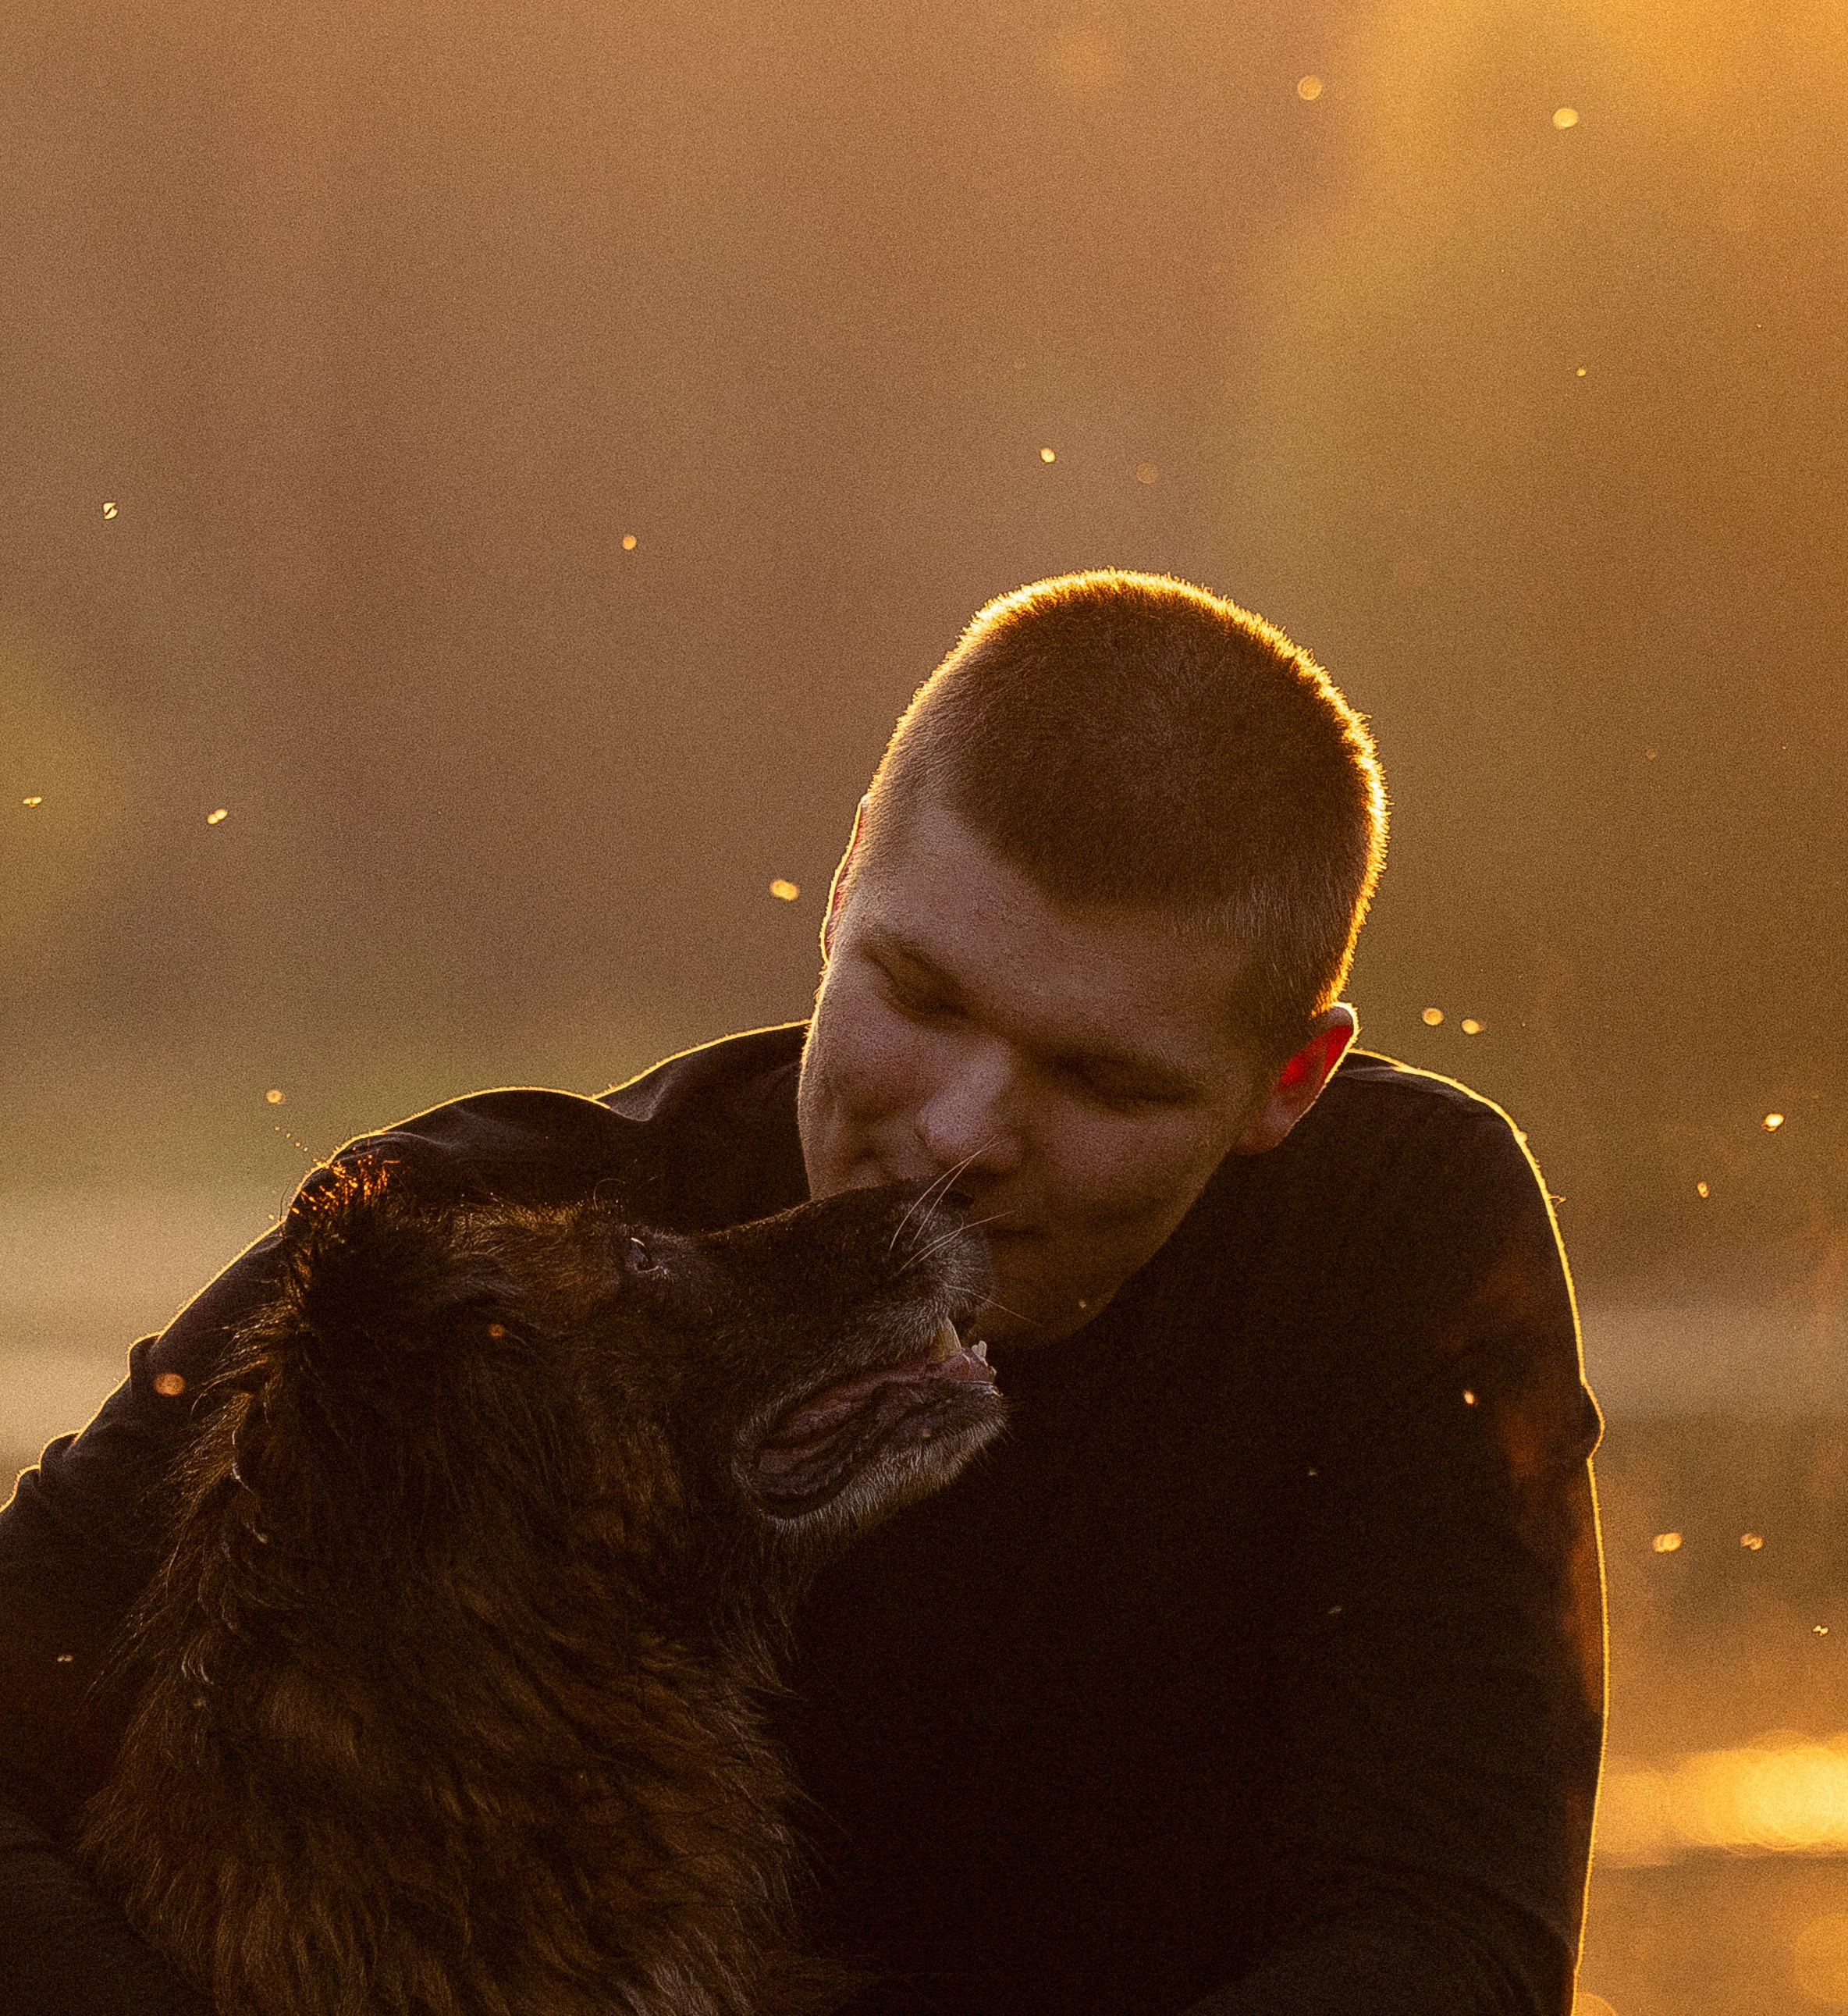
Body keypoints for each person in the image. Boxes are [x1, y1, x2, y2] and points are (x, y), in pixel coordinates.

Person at [0, 571, 1605, 2015]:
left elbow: (1450, 1938)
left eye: (1101, 1078)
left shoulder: (1392, 1232)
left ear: (1288, 1079)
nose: (962, 1134)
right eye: (921, 993)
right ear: (842, 884)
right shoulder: (462, 1260)